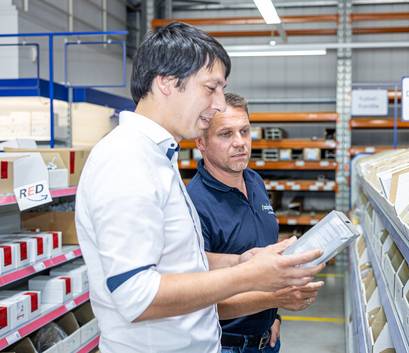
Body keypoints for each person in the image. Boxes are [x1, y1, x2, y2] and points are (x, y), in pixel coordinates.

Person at [75, 22, 324, 353]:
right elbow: (137, 295)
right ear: (166, 82)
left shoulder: (156, 157)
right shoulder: (126, 161)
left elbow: (175, 261)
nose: (219, 104)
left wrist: (243, 262)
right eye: (211, 88)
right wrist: (253, 278)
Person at [187, 92, 325, 353]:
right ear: (201, 143)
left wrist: (273, 315)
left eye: (245, 131)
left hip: (266, 340)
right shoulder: (194, 204)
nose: (240, 143)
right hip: (227, 345)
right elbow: (200, 302)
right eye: (226, 134)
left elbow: (264, 256)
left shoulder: (254, 181)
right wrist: (276, 299)